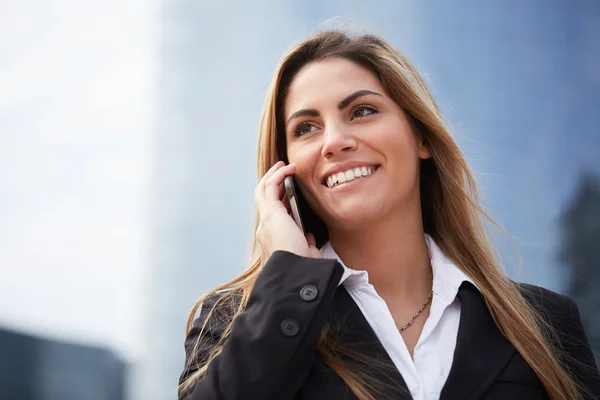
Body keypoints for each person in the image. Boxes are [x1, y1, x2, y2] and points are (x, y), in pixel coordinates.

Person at [177, 29, 600, 400]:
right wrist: (289, 281)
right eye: (306, 128)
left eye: (362, 111)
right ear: (284, 170)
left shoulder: (545, 324)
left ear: (420, 136)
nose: (335, 141)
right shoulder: (231, 322)